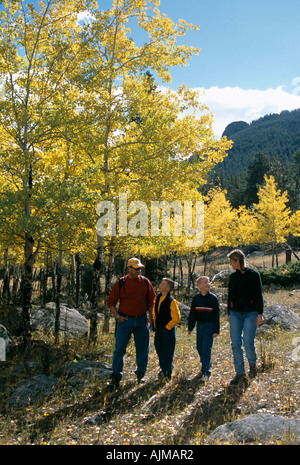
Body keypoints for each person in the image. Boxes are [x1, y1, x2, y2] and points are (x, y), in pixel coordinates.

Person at [107, 257, 156, 390]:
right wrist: (117, 317)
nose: (138, 271)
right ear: (129, 268)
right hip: (125, 320)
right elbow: (111, 302)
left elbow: (151, 301)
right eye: (135, 268)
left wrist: (150, 319)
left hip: (142, 320)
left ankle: (141, 374)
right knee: (119, 350)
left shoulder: (145, 282)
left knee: (143, 349)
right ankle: (116, 378)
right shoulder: (121, 283)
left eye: (139, 268)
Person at [227, 249, 264, 386]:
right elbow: (230, 295)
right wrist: (229, 313)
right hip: (235, 313)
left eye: (232, 261)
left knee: (248, 342)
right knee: (235, 344)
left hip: (251, 313)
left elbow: (259, 295)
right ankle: (240, 373)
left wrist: (260, 314)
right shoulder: (233, 277)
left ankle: (253, 366)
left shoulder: (254, 275)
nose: (230, 264)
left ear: (237, 261)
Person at [188, 276, 220, 381]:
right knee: (199, 347)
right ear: (199, 286)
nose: (208, 284)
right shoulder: (196, 298)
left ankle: (206, 372)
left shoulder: (213, 298)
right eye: (205, 282)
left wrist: (216, 330)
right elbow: (192, 314)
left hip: (209, 326)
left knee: (206, 349)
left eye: (208, 282)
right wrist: (190, 327)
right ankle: (207, 363)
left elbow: (216, 315)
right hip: (200, 325)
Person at [153, 278, 181, 381]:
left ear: (168, 288)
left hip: (168, 330)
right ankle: (164, 368)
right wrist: (155, 325)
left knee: (167, 351)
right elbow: (155, 313)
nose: (160, 285)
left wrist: (167, 327)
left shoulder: (172, 301)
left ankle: (167, 373)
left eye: (162, 284)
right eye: (160, 283)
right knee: (158, 347)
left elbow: (176, 318)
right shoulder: (158, 299)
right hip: (159, 329)